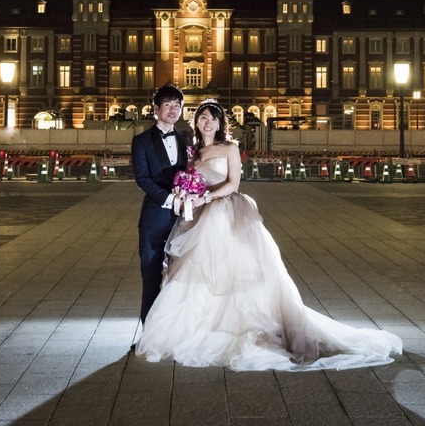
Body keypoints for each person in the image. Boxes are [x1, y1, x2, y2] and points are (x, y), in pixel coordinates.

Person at [136, 100, 402, 371]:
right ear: (196, 121)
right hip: (199, 216)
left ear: (220, 123)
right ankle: (196, 327)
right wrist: (185, 192)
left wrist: (205, 197)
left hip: (225, 212)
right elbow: (185, 178)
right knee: (197, 272)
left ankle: (235, 325)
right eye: (203, 118)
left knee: (232, 270)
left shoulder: (229, 147)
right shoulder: (193, 151)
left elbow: (233, 184)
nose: (208, 123)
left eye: (213, 119)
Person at [132, 83, 188, 324]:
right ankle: (149, 331)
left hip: (184, 219)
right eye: (168, 105)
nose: (173, 110)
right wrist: (169, 198)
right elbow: (142, 179)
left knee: (181, 275)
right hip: (155, 216)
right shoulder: (141, 141)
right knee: (151, 272)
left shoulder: (186, 139)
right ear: (156, 109)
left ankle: (174, 328)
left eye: (177, 105)